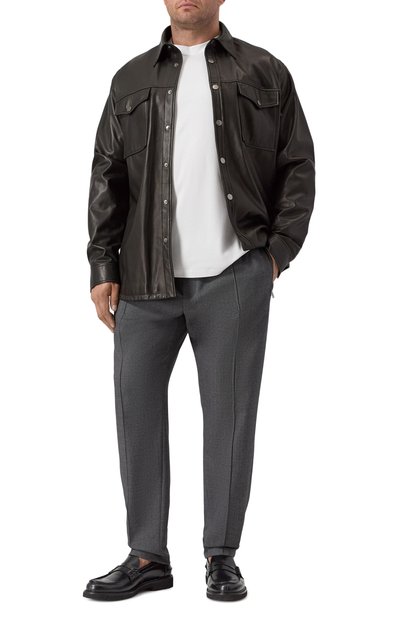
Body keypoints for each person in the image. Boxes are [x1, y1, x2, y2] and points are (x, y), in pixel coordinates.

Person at [83, 0, 315, 602]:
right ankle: (146, 556)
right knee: (136, 412)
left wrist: (274, 256)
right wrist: (102, 264)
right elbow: (107, 176)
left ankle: (221, 556)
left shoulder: (265, 71)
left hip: (235, 273)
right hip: (143, 278)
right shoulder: (131, 78)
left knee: (231, 419)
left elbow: (297, 164)